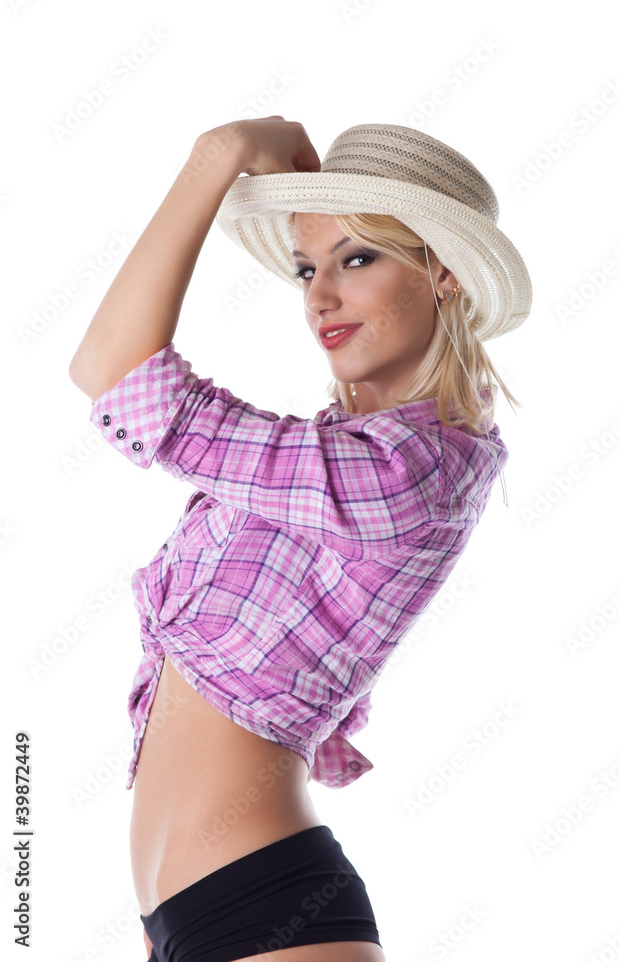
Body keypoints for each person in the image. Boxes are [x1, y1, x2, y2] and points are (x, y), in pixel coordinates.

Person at [68, 116, 532, 962]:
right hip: (178, 914)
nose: (319, 295)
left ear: (445, 273)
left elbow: (117, 376)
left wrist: (216, 158)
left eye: (357, 259)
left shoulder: (415, 469)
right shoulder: (323, 457)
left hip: (263, 901)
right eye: (305, 268)